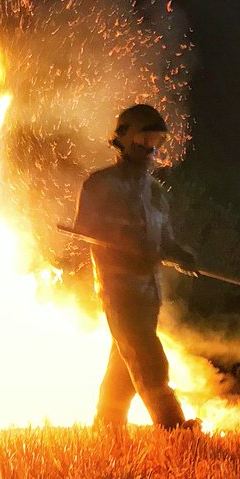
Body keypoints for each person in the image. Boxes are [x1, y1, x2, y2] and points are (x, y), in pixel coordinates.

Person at [72, 104, 198, 429]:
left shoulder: (155, 192)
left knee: (124, 363)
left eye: (156, 140)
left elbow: (165, 239)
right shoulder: (100, 184)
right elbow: (85, 229)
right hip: (119, 289)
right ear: (124, 138)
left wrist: (181, 254)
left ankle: (107, 423)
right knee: (147, 357)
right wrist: (125, 241)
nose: (151, 147)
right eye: (144, 139)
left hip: (149, 293)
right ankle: (173, 426)